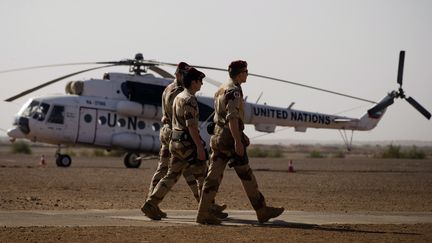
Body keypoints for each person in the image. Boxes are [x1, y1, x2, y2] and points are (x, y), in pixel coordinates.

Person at [196, 60, 284, 225]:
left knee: (212, 176)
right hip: (229, 138)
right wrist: (238, 141)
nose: (247, 74)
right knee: (246, 175)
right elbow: (232, 118)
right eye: (245, 71)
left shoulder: (221, 89)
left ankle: (203, 213)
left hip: (218, 137)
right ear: (240, 73)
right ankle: (261, 210)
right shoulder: (234, 91)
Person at [142, 67, 222, 220]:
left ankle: (151, 203)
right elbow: (191, 126)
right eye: (200, 81)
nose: (202, 85)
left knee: (171, 175)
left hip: (175, 142)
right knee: (203, 176)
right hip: (187, 143)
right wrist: (199, 146)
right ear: (193, 83)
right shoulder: (189, 99)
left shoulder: (178, 97)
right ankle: (206, 212)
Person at [143, 62, 200, 218]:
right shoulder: (180, 92)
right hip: (175, 134)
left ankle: (206, 203)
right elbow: (181, 117)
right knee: (185, 169)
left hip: (166, 132)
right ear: (178, 74)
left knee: (179, 169)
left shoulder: (167, 89)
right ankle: (207, 205)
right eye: (185, 74)